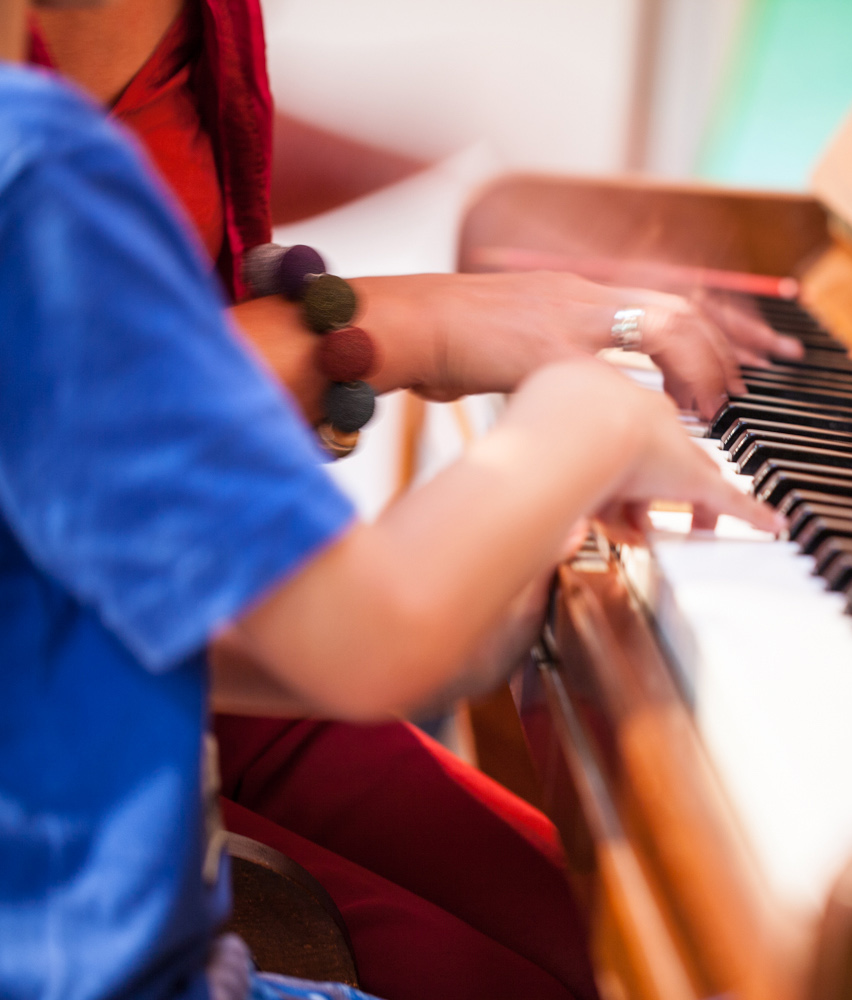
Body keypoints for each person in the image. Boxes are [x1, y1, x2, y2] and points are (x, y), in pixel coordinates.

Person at [0, 1, 781, 998]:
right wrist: (590, 418)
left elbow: (94, 619)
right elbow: (366, 641)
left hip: (167, 693)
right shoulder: (41, 176)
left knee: (607, 941)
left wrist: (487, 608)